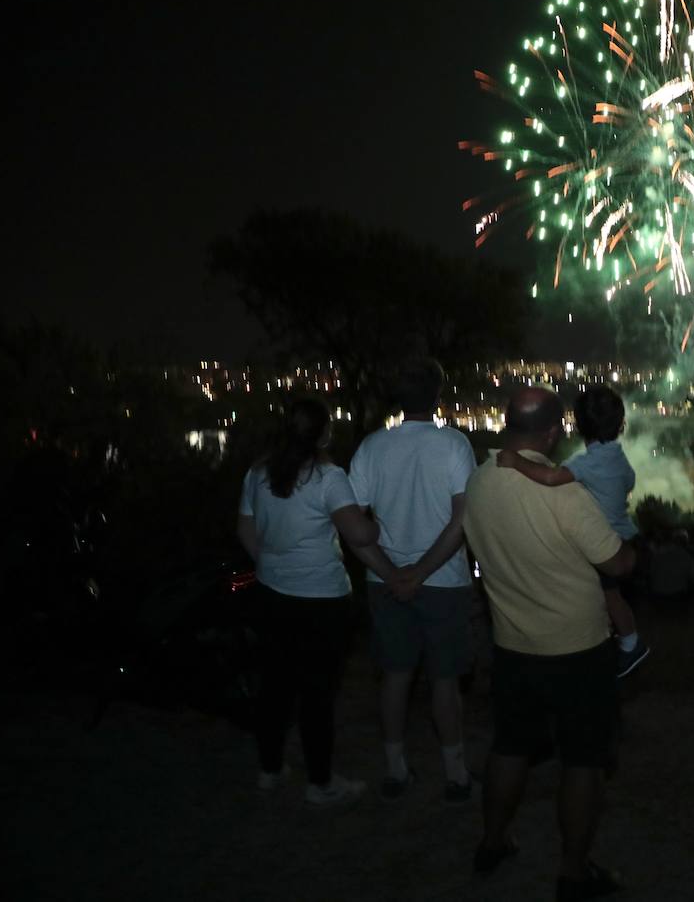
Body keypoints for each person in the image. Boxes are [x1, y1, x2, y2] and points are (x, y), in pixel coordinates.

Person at [464, 387, 635, 902]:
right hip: (578, 650)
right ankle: (573, 871)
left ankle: (493, 842)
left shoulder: (478, 482)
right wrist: (631, 544)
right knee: (583, 760)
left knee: (510, 746)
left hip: (513, 646)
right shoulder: (564, 493)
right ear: (554, 432)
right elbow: (617, 564)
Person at [236, 397, 390, 806]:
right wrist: (377, 526)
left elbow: (247, 530)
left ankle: (270, 769)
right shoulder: (328, 477)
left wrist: (271, 565)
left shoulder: (258, 472)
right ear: (323, 433)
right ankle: (320, 782)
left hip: (272, 596)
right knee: (318, 694)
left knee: (275, 688)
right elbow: (358, 535)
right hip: (322, 600)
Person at [348, 357, 478, 803]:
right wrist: (421, 573)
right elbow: (464, 520)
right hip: (445, 582)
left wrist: (393, 574)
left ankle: (395, 769)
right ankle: (456, 774)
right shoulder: (455, 446)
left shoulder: (371, 447)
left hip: (384, 584)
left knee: (396, 677)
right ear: (437, 396)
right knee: (445, 682)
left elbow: (352, 523)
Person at [497, 385, 649, 677]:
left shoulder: (586, 463)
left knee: (609, 597)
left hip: (609, 541)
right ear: (620, 425)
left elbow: (553, 477)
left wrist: (517, 461)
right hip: (627, 535)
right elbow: (628, 482)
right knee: (611, 597)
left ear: (578, 426)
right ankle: (622, 640)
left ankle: (631, 644)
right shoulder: (618, 457)